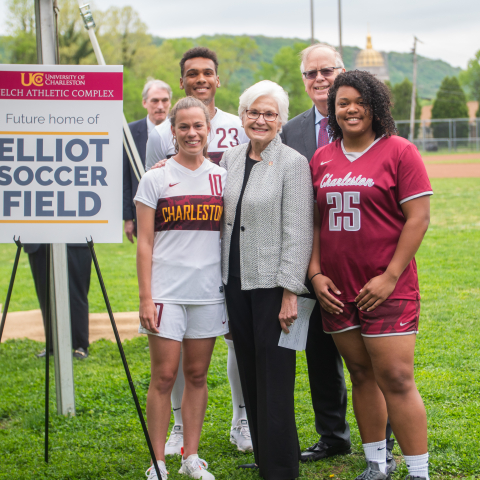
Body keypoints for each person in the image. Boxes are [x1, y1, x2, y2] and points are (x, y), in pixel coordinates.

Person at [309, 70, 432, 480]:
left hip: (386, 286)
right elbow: (313, 222)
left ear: (375, 106)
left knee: (396, 377)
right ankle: (377, 463)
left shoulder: (399, 150)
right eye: (342, 103)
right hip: (337, 288)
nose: (351, 109)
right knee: (360, 374)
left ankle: (418, 472)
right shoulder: (321, 158)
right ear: (332, 110)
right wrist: (315, 274)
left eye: (360, 102)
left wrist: (390, 276)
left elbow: (418, 218)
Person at [281, 43, 396, 469]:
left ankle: (382, 444)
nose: (320, 79)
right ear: (303, 80)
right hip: (310, 263)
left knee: (374, 360)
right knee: (319, 353)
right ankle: (333, 436)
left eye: (327, 70)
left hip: (364, 262)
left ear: (342, 71)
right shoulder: (289, 131)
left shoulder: (373, 127)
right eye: (311, 73)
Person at [146, 47, 252, 456]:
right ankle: (176, 427)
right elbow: (155, 178)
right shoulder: (161, 133)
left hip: (221, 253)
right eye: (193, 74)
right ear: (182, 81)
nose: (201, 79)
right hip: (176, 260)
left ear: (218, 79)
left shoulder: (237, 125)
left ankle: (241, 418)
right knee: (172, 359)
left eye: (208, 73)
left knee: (230, 342)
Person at [221, 80, 313, 480]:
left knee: (274, 376)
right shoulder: (229, 158)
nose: (260, 119)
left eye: (269, 113)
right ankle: (264, 454)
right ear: (242, 116)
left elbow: (299, 231)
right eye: (253, 112)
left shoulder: (293, 163)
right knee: (249, 368)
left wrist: (291, 291)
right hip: (235, 281)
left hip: (274, 286)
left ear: (281, 120)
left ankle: (280, 467)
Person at [135, 97, 226, 480]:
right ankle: (157, 463)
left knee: (198, 375)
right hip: (166, 294)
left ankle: (191, 457)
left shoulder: (222, 177)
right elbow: (144, 243)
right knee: (163, 377)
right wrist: (146, 298)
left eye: (198, 126)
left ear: (209, 129)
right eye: (184, 127)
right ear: (172, 131)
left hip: (207, 293)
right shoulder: (155, 178)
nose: (191, 133)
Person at [123, 79, 172, 243]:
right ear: (144, 103)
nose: (160, 106)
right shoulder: (129, 132)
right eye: (155, 101)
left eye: (164, 100)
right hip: (142, 208)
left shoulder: (182, 129)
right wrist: (128, 218)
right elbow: (125, 175)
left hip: (173, 206)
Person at [26, 243, 91, 358]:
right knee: (45, 293)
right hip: (39, 242)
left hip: (74, 239)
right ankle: (52, 344)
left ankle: (79, 344)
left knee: (76, 293)